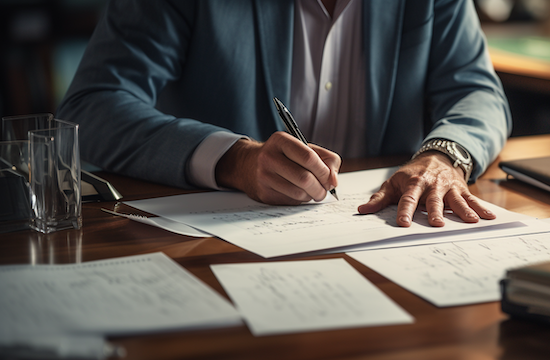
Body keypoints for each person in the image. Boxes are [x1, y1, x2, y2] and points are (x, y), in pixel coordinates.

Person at [57, 0, 511, 227]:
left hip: (383, 240)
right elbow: (93, 105)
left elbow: (477, 91)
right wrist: (233, 161)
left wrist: (444, 155)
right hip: (212, 249)